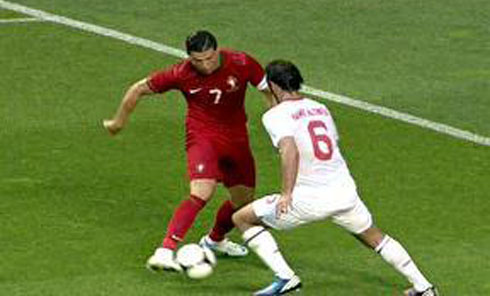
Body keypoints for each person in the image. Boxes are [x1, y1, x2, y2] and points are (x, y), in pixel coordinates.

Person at [232, 60, 439, 296]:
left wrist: (287, 193)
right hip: (344, 193)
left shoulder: (274, 115)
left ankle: (285, 277)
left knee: (243, 219)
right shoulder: (321, 107)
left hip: (307, 199)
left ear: (274, 86)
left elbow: (290, 150)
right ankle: (424, 287)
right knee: (375, 237)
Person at [103, 30, 272, 272]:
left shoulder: (242, 62)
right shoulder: (180, 73)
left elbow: (267, 90)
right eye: (197, 60)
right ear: (189, 58)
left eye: (209, 58)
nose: (204, 65)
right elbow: (138, 89)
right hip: (203, 137)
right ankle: (164, 251)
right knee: (201, 192)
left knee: (243, 201)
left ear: (217, 50)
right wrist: (118, 122)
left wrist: (280, 127)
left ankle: (214, 241)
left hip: (237, 140)